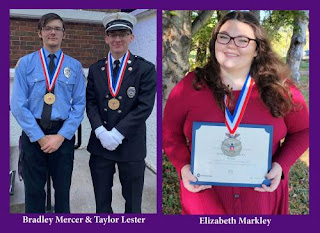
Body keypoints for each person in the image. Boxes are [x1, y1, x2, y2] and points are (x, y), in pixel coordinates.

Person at [163, 11, 309, 215]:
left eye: (243, 40)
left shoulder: (281, 89)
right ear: (215, 43)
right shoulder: (190, 86)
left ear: (257, 48)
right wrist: (183, 167)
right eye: (224, 37)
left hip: (261, 200)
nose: (230, 45)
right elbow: (170, 132)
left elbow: (304, 130)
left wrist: (281, 165)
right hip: (204, 199)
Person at [11, 13, 86, 213]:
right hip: (34, 134)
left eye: (57, 29)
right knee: (34, 193)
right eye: (48, 28)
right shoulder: (26, 64)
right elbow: (18, 105)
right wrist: (41, 138)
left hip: (62, 136)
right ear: (40, 33)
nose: (53, 32)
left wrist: (61, 136)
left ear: (64, 34)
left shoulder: (75, 67)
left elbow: (79, 105)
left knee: (62, 192)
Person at [86, 12, 157, 213]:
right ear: (106, 38)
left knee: (133, 205)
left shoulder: (146, 69)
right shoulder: (95, 69)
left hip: (131, 146)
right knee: (102, 203)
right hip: (101, 146)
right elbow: (90, 103)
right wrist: (101, 132)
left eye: (123, 34)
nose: (118, 39)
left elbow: (144, 106)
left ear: (131, 37)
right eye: (113, 34)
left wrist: (117, 134)